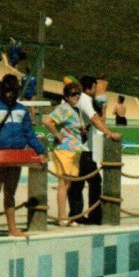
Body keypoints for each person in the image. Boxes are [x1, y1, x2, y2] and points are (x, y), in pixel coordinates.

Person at [0, 74, 46, 237]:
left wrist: (40, 151)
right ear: (2, 90)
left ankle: (13, 228)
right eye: (7, 91)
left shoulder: (22, 109)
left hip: (15, 155)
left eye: (13, 91)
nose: (10, 94)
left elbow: (29, 134)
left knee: (10, 192)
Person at [67, 75, 121, 225]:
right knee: (94, 181)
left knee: (77, 183)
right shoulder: (85, 100)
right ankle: (94, 215)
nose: (97, 90)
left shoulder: (82, 100)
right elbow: (95, 119)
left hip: (79, 147)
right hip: (84, 149)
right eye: (95, 87)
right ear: (89, 87)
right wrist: (110, 133)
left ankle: (76, 214)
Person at [44, 82, 83, 224]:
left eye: (78, 93)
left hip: (73, 150)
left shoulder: (72, 109)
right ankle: (61, 217)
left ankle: (64, 215)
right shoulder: (64, 108)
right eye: (73, 94)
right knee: (63, 184)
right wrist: (58, 136)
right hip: (65, 150)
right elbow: (48, 122)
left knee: (68, 184)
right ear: (66, 96)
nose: (76, 96)